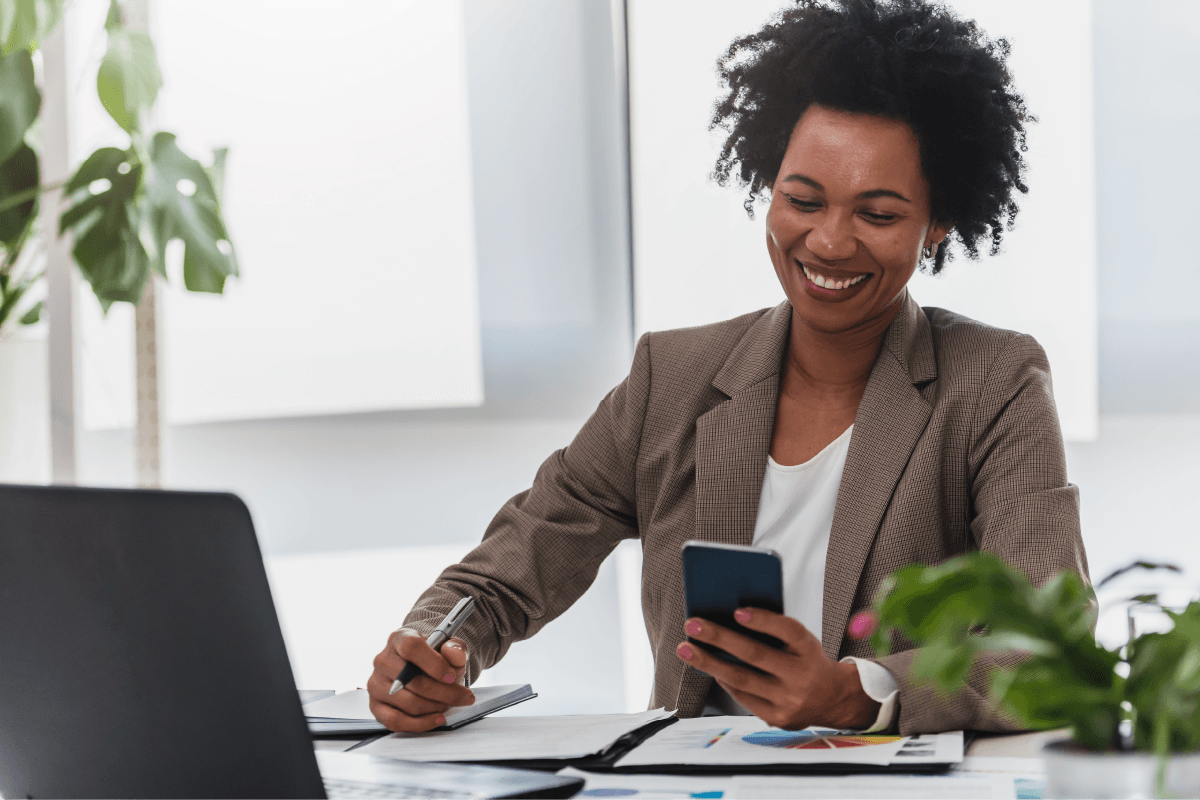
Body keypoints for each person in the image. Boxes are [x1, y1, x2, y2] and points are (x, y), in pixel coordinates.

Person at [367, 0, 1088, 736]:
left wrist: (856, 693)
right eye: (802, 199)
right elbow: (504, 573)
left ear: (938, 225)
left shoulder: (994, 383)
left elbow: (1051, 649)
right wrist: (434, 651)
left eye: (877, 214)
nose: (830, 242)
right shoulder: (670, 377)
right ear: (766, 188)